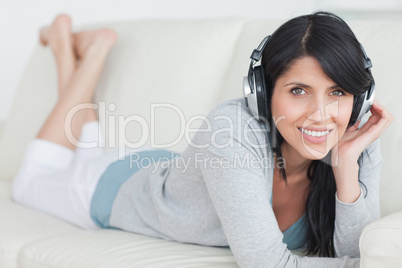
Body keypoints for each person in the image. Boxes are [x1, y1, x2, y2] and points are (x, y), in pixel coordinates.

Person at [12, 11, 393, 267]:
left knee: (88, 145)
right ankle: (84, 52)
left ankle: (70, 51)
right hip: (111, 188)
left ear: (358, 99)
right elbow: (270, 263)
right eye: (298, 91)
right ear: (261, 92)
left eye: (338, 92)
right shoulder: (230, 128)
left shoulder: (353, 140)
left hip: (171, 169)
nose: (321, 114)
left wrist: (346, 172)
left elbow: (354, 251)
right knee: (31, 180)